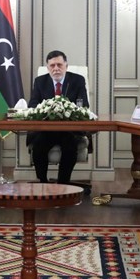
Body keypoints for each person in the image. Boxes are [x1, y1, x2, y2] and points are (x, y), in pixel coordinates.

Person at [27, 50, 89, 184]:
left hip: (69, 130)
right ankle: (43, 182)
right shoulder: (40, 82)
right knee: (38, 146)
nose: (56, 69)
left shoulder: (78, 80)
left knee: (70, 146)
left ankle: (63, 184)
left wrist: (67, 110)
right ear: (47, 67)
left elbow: (84, 105)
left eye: (59, 65)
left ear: (66, 66)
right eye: (52, 65)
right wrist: (47, 110)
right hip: (46, 130)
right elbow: (32, 105)